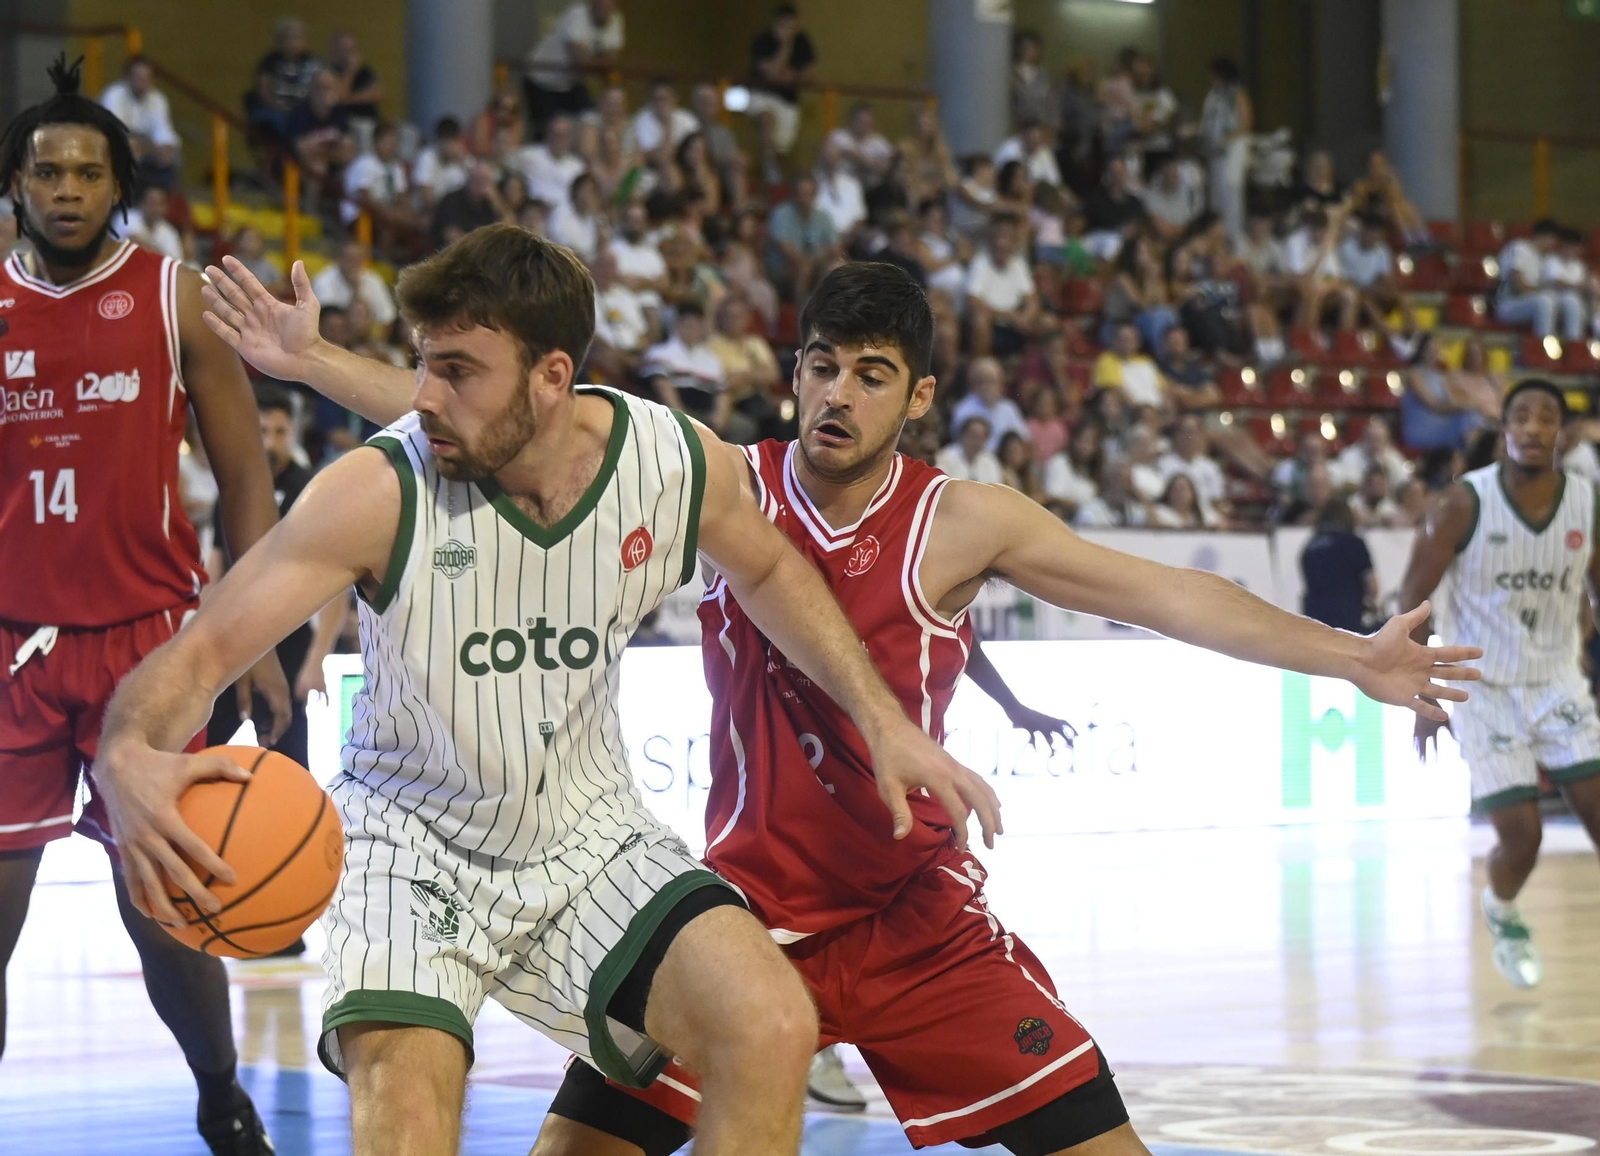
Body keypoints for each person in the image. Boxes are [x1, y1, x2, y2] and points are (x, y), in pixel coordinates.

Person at [518, 261, 1481, 1156]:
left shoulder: (964, 521)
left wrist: (1354, 658)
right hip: (738, 923)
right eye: (823, 369)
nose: (839, 395)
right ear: (796, 376)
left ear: (920, 397)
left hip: (916, 924)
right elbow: (534, 421)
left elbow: (1171, 595)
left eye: (872, 375)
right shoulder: (730, 484)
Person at [110, 229, 999, 1156]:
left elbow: (771, 568)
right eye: (423, 365)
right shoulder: (378, 489)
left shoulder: (664, 460)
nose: (423, 396)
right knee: (409, 1117)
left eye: (457, 370)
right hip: (411, 844)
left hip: (589, 835)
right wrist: (130, 749)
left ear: (550, 377)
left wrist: (880, 718)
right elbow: (203, 651)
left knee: (771, 1030)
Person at [0, 57, 288, 1154]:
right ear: (17, 187)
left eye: (87, 171)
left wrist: (254, 629)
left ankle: (218, 1089)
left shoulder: (174, 295)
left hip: (151, 648)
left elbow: (246, 475)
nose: (67, 188)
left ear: (116, 184)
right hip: (11, 645)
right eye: (46, 172)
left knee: (163, 911)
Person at [1401, 379, 1600, 989]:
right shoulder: (1461, 505)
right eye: (1522, 417)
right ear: (1504, 430)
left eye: (1547, 419)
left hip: (1556, 680)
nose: (1535, 428)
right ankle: (1504, 909)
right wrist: (1425, 696)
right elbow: (1413, 600)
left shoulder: (1586, 501)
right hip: (1481, 687)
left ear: (1561, 436)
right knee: (1525, 836)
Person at [523, 0, 625, 130]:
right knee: (546, 130)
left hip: (569, 83)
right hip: (541, 78)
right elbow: (580, 60)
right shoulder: (577, 14)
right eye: (601, 4)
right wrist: (601, 62)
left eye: (609, 5)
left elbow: (613, 60)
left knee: (590, 119)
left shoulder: (616, 19)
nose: (605, 9)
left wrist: (591, 61)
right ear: (592, 3)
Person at [1496, 218, 1584, 341]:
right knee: (1545, 301)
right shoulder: (1519, 247)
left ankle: (1574, 346)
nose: (1554, 245)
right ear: (1546, 236)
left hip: (1530, 301)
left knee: (1570, 300)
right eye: (1554, 240)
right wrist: (1545, 292)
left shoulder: (1544, 258)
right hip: (1509, 303)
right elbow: (1518, 285)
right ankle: (1542, 347)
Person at [99, 55, 180, 188]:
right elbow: (116, 130)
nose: (141, 81)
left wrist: (166, 147)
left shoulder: (158, 98)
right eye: (137, 76)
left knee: (175, 157)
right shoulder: (114, 94)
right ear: (127, 77)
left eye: (146, 77)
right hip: (113, 143)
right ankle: (125, 199)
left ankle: (160, 199)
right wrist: (143, 147)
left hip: (145, 144)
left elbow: (163, 129)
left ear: (153, 80)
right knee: (126, 151)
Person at [747, 4, 816, 156]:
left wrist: (793, 76)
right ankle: (769, 169)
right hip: (762, 95)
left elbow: (810, 74)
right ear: (775, 23)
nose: (788, 30)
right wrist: (785, 45)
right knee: (766, 120)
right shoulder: (762, 40)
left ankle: (777, 173)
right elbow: (771, 74)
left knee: (783, 147)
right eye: (784, 25)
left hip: (788, 101)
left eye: (791, 26)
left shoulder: (802, 41)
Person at [1198, 57, 1252, 244]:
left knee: (1232, 195)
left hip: (1232, 152)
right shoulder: (1213, 95)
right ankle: (1217, 236)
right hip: (1216, 153)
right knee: (1216, 196)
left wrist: (1224, 139)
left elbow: (1246, 123)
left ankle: (1234, 238)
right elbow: (1208, 124)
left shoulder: (1237, 93)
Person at [1301, 498, 1375, 631]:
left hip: (1314, 618)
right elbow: (1372, 585)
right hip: (1346, 617)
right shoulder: (1353, 543)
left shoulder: (1310, 547)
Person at [311, 240, 397, 332]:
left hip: (367, 338)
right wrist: (356, 290)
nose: (354, 264)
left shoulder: (373, 279)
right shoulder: (322, 280)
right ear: (338, 259)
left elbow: (387, 317)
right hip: (334, 337)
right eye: (349, 259)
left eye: (358, 259)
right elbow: (327, 321)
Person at [950, 355, 1026, 451]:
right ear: (973, 384)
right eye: (982, 381)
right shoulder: (963, 408)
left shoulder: (1009, 408)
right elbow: (960, 443)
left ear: (1001, 383)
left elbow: (1022, 439)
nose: (988, 386)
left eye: (992, 381)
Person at [514, 114, 587, 213]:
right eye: (555, 134)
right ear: (548, 134)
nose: (558, 139)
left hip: (566, 217)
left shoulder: (578, 167)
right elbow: (503, 162)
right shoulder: (530, 155)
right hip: (535, 215)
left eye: (563, 135)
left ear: (570, 138)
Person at [412, 116, 472, 210]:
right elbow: (428, 199)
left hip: (457, 212)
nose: (450, 147)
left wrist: (464, 161)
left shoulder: (464, 158)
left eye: (454, 141)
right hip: (428, 211)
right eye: (447, 142)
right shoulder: (427, 156)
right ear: (438, 141)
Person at [936, 415, 1003, 483]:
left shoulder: (990, 460)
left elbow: (995, 487)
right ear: (963, 435)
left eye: (981, 437)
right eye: (973, 436)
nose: (976, 441)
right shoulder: (945, 457)